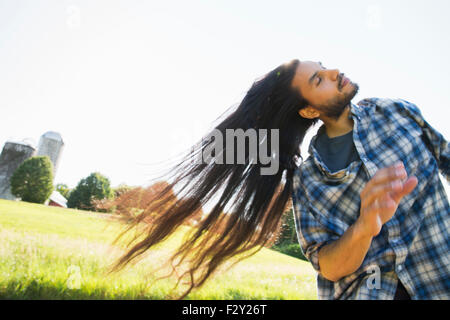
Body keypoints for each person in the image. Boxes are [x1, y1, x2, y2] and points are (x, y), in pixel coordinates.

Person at [109, 59, 449, 300]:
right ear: (309, 111)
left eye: (323, 67)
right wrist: (364, 226)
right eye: (319, 80)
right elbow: (328, 267)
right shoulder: (309, 182)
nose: (333, 71)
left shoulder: (399, 112)